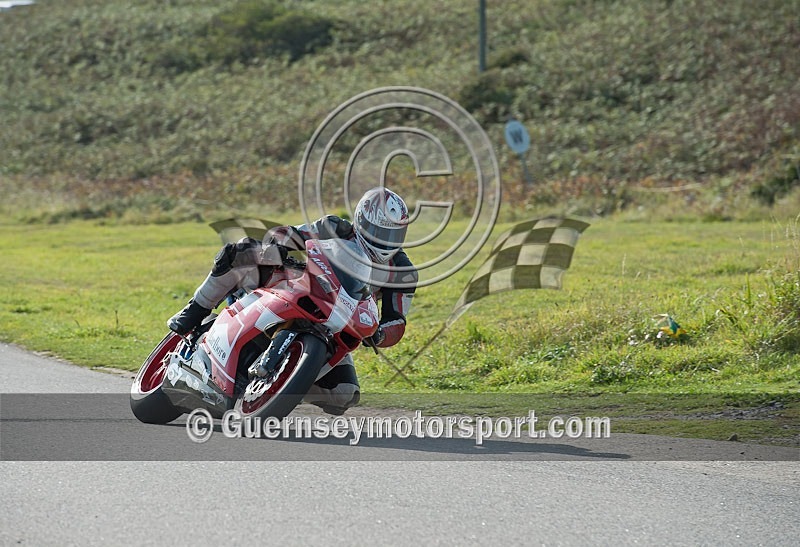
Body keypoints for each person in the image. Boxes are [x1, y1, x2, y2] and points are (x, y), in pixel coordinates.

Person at [167, 187, 417, 414]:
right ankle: (195, 310)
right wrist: (280, 245)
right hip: (298, 289)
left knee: (343, 394)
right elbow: (293, 233)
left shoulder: (403, 272)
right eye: (380, 231)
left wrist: (381, 334)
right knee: (240, 252)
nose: (386, 240)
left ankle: (279, 387)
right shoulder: (333, 227)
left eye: (394, 234)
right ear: (361, 221)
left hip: (336, 324)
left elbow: (397, 320)